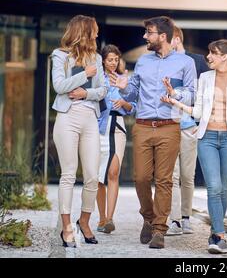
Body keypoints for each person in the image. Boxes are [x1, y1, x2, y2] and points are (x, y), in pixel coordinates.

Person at [110, 16, 196, 249]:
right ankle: (148, 218)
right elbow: (132, 93)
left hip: (170, 126)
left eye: (149, 32)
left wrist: (174, 93)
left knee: (165, 180)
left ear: (163, 36)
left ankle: (159, 229)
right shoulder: (143, 61)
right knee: (141, 178)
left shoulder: (185, 63)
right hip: (143, 126)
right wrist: (124, 87)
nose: (145, 37)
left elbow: (192, 95)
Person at [161, 39, 227, 254]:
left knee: (223, 189)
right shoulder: (205, 78)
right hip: (207, 138)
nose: (207, 57)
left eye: (212, 53)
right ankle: (218, 236)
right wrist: (177, 103)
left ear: (224, 57)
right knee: (213, 186)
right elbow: (199, 112)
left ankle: (215, 233)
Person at [51, 15, 107, 247]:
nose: (96, 34)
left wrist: (86, 93)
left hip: (89, 120)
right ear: (83, 32)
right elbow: (59, 86)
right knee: (68, 175)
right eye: (93, 31)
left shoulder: (97, 58)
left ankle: (84, 221)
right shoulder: (60, 55)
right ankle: (66, 227)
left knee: (93, 175)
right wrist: (84, 75)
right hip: (67, 118)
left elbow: (103, 90)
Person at [166, 25, 210, 236]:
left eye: (167, 39)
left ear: (175, 39)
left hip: (189, 126)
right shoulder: (163, 63)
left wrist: (200, 123)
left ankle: (186, 218)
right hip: (168, 126)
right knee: (171, 176)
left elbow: (206, 95)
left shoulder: (198, 61)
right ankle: (173, 220)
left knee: (187, 175)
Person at [96, 45, 136, 234]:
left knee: (113, 172)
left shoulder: (124, 80)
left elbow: (134, 106)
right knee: (98, 176)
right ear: (103, 60)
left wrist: (124, 102)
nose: (113, 62)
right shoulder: (97, 78)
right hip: (98, 127)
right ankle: (101, 218)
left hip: (117, 125)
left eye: (116, 59)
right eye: (110, 59)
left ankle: (110, 218)